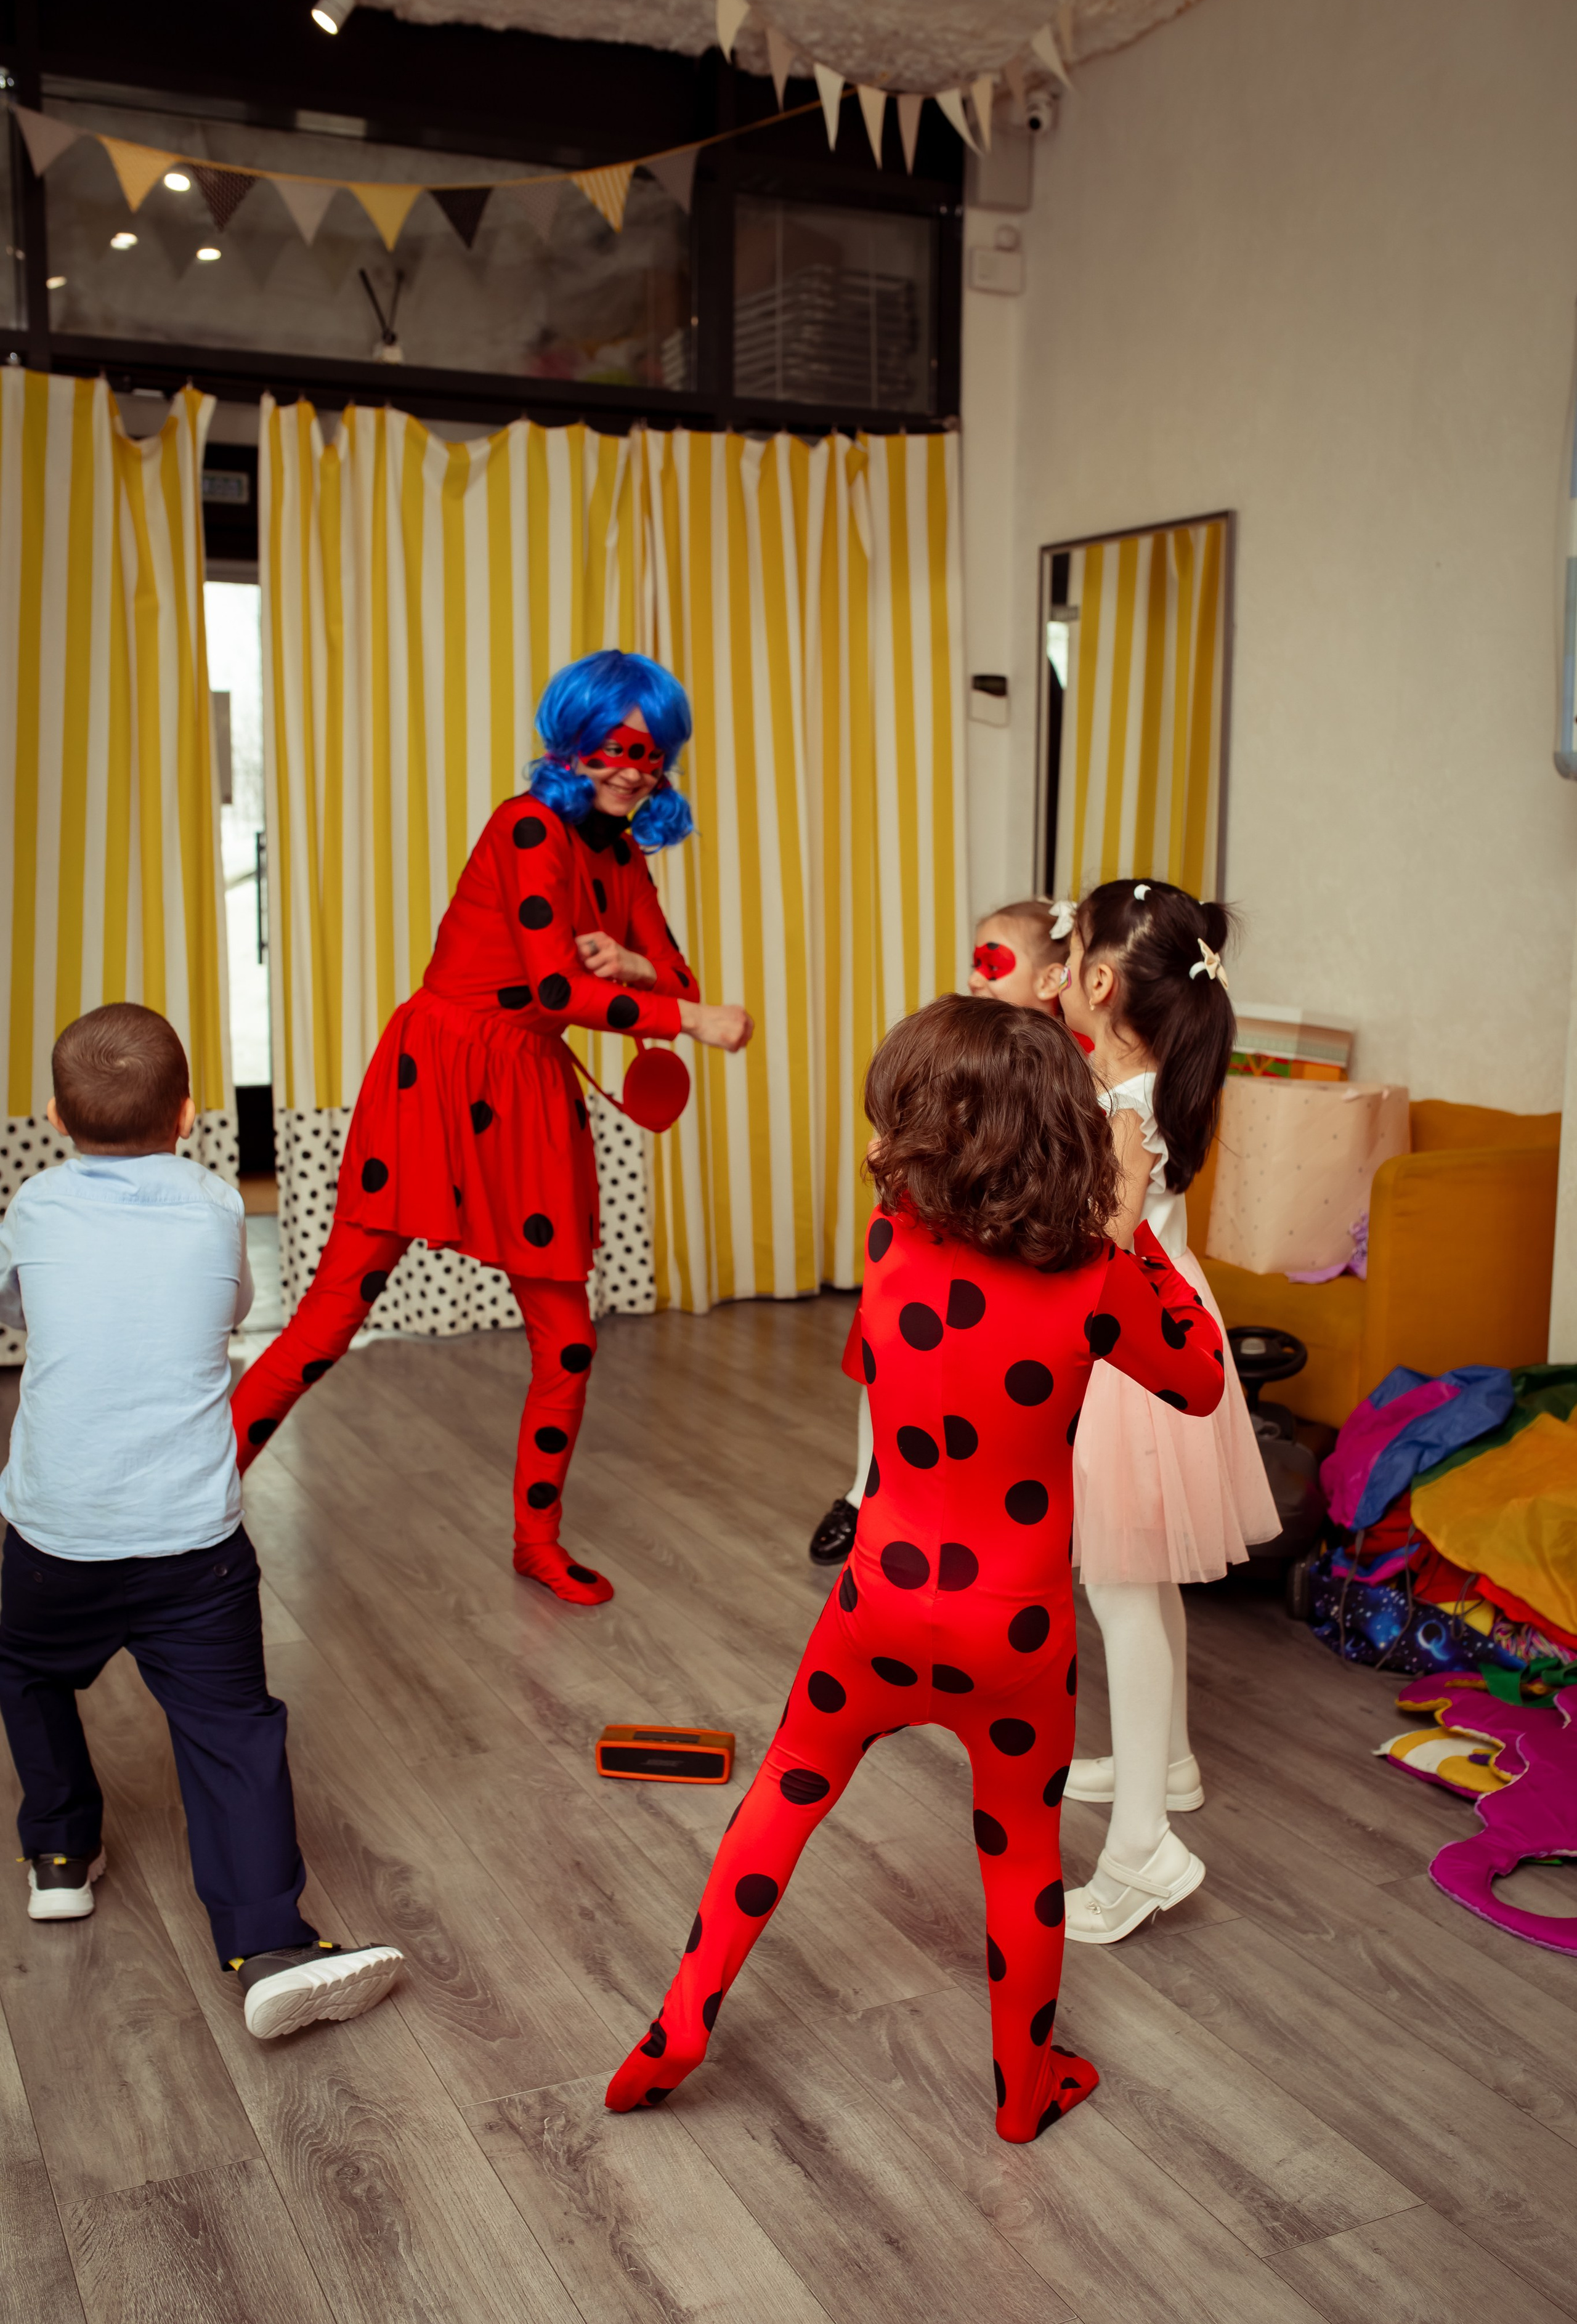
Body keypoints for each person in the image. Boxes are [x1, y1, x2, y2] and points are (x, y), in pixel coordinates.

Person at [606, 993, 1225, 2141]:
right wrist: (1133, 1232)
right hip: (1015, 1633)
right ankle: (1023, 2090)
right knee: (1021, 1855)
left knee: (786, 1791)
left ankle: (681, 2021)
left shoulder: (890, 1240)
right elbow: (1199, 1381)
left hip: (877, 1608)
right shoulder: (1097, 1280)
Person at [229, 651, 753, 1606]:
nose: (636, 767)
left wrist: (638, 968)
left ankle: (536, 1541)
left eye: (653, 751)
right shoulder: (525, 829)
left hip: (529, 1090)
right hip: (440, 1075)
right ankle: (192, 1504)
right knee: (333, 1315)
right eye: (617, 747)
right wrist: (690, 1022)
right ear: (575, 744)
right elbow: (561, 986)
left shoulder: (624, 856)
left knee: (567, 1338)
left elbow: (672, 977)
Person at [0, 1004, 402, 2039]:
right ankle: (269, 1942)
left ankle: (58, 1849)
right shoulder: (216, 1203)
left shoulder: (35, 1205)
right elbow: (230, 1309)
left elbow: (14, 1308)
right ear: (189, 1116)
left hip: (55, 1538)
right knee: (232, 1729)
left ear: (53, 1116)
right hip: (193, 1545)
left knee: (26, 1667)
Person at [1055, 880, 1279, 1945]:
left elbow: (1094, 1244)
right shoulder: (1149, 1087)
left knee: (1122, 1592)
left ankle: (1140, 1846)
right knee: (1143, 1576)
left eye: (1067, 956)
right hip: (1173, 1323)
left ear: (1098, 982)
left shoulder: (1121, 1111)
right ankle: (1172, 1762)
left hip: (1130, 1349)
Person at [806, 897, 1081, 1567]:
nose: (979, 974)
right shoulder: (952, 1044)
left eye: (996, 960)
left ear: (1052, 981)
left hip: (1012, 1259)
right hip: (926, 1245)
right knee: (881, 1368)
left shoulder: (1072, 1068)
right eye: (975, 959)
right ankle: (861, 1491)